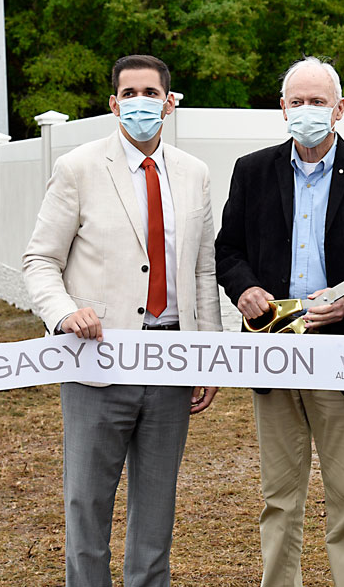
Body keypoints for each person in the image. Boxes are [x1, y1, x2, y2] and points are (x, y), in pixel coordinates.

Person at [22, 54, 222, 587]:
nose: (140, 102)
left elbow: (204, 270)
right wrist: (65, 313)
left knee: (156, 509)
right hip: (97, 363)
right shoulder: (78, 167)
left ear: (169, 103)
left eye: (150, 93)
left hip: (171, 363)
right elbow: (40, 260)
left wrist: (208, 357)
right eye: (128, 93)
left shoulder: (194, 174)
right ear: (113, 104)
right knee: (87, 503)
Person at [215, 56, 344, 587]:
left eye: (318, 101)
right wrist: (245, 288)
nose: (308, 111)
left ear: (340, 109)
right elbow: (228, 249)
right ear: (282, 109)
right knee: (279, 495)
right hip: (274, 346)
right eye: (297, 101)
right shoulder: (252, 171)